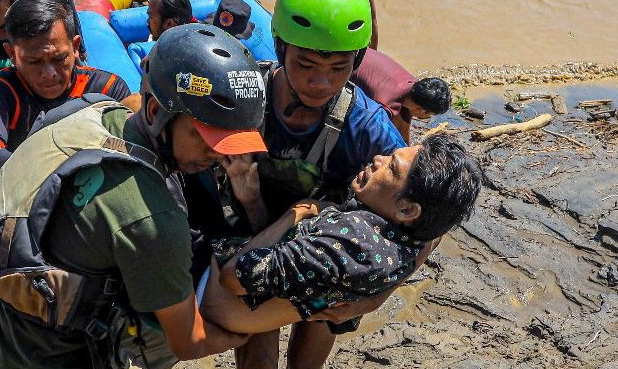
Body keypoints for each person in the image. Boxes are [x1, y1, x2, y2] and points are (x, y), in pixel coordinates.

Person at [0, 23, 270, 369]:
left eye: (232, 142)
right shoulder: (148, 218)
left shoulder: (97, 115)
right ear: (157, 112)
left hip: (4, 326)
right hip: (40, 362)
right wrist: (250, 328)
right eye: (207, 137)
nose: (220, 155)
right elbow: (192, 339)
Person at [216, 0, 408, 369]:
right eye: (305, 65)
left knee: (307, 363)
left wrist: (373, 297)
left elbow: (422, 225)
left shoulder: (364, 124)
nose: (321, 82)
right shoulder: (245, 100)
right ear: (279, 49)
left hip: (323, 262)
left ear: (357, 62)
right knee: (255, 362)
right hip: (255, 247)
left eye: (338, 68)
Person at [201, 137, 482, 334]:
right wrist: (377, 299)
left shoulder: (347, 244)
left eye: (391, 167)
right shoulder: (415, 237)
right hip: (250, 291)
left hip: (208, 293)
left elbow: (232, 277)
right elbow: (434, 239)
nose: (378, 159)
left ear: (407, 210)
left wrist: (296, 212)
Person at [0, 0, 131, 186]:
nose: (49, 74)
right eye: (34, 61)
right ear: (12, 54)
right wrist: (56, 179)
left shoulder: (108, 87)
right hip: (29, 197)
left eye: (59, 58)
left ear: (75, 47)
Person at [352, 49, 453, 143]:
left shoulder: (414, 86)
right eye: (430, 115)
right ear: (421, 111)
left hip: (358, 50)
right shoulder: (384, 106)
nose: (428, 118)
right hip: (345, 64)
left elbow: (404, 120)